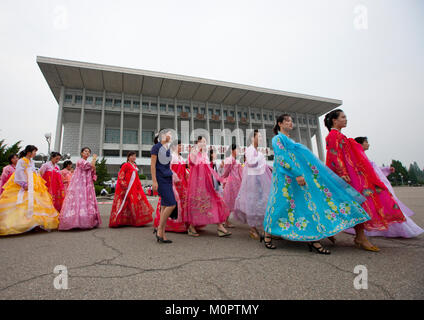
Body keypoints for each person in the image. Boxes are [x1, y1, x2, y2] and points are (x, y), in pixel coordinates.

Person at [264, 115, 371, 253]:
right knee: (280, 204)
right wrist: (297, 173)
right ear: (279, 123)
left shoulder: (290, 141)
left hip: (298, 178)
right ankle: (268, 234)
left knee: (305, 205)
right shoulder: (277, 139)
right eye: (287, 121)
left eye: (291, 120)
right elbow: (282, 158)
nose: (291, 123)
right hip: (285, 178)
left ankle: (313, 239)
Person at [324, 109, 406, 251]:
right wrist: (342, 173)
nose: (346, 119)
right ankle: (327, 231)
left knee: (357, 204)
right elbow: (334, 155)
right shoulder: (332, 136)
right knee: (339, 204)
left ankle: (360, 237)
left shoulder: (340, 136)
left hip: (351, 176)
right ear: (334, 120)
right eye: (343, 117)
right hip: (343, 177)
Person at [343, 137, 423, 238]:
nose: (368, 144)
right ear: (359, 144)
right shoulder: (357, 158)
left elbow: (375, 169)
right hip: (374, 187)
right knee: (386, 206)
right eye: (366, 142)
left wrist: (387, 169)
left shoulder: (363, 157)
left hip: (377, 186)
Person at [0, 145, 59, 236]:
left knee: (35, 202)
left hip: (33, 182)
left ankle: (34, 223)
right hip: (24, 183)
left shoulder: (32, 161)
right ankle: (22, 223)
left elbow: (34, 171)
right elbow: (19, 173)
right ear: (29, 152)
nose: (35, 153)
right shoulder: (21, 161)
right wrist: (24, 184)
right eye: (34, 151)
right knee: (22, 202)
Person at [186, 136, 231, 237]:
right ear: (197, 142)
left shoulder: (205, 154)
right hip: (196, 184)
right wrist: (196, 149)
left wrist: (219, 178)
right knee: (196, 204)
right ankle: (191, 227)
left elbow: (209, 169)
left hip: (207, 184)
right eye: (202, 141)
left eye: (205, 142)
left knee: (214, 202)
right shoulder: (194, 152)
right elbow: (191, 162)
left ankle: (220, 227)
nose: (204, 143)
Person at [234, 130, 273, 242]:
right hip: (252, 181)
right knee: (253, 203)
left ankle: (259, 227)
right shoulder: (250, 150)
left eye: (261, 137)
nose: (260, 138)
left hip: (259, 180)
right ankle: (252, 228)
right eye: (259, 136)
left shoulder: (257, 151)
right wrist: (261, 158)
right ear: (252, 138)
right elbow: (251, 163)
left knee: (260, 202)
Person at [59, 147, 101, 230]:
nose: (87, 153)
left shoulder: (85, 162)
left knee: (86, 200)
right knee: (79, 200)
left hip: (87, 184)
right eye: (85, 151)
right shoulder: (80, 161)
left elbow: (93, 171)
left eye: (88, 152)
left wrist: (93, 167)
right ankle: (76, 221)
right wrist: (94, 159)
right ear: (81, 153)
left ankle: (87, 220)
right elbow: (91, 166)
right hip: (80, 184)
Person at [109, 151, 153, 227]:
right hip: (127, 188)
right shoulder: (125, 165)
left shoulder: (134, 166)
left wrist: (139, 187)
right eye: (132, 156)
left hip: (134, 188)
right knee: (125, 204)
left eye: (134, 156)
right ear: (128, 157)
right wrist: (125, 186)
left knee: (135, 203)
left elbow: (136, 178)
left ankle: (134, 220)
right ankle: (119, 220)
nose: (133, 157)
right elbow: (121, 176)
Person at [154, 140, 189, 233]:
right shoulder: (171, 156)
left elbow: (183, 169)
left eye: (181, 145)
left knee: (181, 203)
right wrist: (175, 178)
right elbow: (168, 169)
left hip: (181, 184)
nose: (181, 147)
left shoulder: (180, 157)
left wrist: (186, 173)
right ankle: (169, 225)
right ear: (174, 146)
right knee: (171, 203)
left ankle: (179, 224)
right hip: (173, 183)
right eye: (179, 145)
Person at [151, 130, 176, 243]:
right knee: (171, 204)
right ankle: (159, 229)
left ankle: (162, 234)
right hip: (160, 179)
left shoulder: (168, 148)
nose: (170, 136)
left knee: (164, 206)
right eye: (169, 134)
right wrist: (154, 181)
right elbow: (152, 166)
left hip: (168, 177)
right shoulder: (156, 147)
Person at [221, 144, 243, 229]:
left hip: (235, 183)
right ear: (232, 150)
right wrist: (224, 180)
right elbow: (226, 172)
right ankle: (224, 220)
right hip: (232, 183)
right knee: (229, 202)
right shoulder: (230, 159)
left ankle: (225, 220)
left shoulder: (233, 159)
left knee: (231, 202)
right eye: (237, 150)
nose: (238, 152)